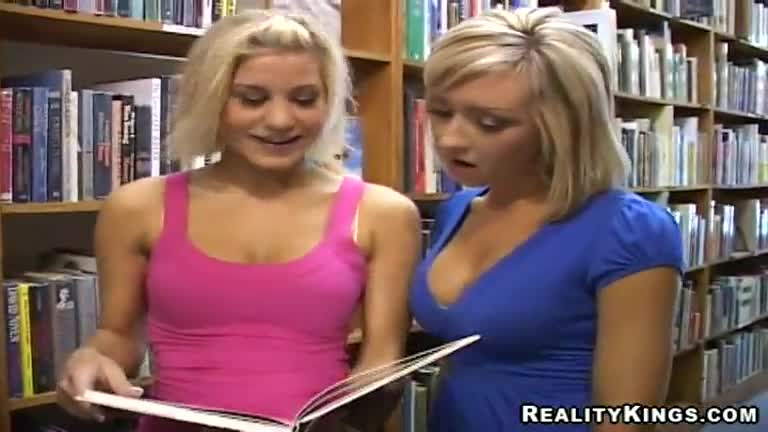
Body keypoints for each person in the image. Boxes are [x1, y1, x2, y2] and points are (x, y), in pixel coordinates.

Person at [55, 9, 422, 432]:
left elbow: (381, 359)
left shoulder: (383, 214)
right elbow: (118, 336)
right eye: (252, 99)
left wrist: (366, 404)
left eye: (304, 99)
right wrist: (92, 361)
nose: (281, 120)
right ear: (211, 100)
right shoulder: (136, 207)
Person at [409, 7, 684, 432]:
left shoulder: (630, 232)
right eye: (442, 112)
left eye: (490, 123)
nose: (449, 139)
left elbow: (627, 420)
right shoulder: (456, 210)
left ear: (560, 127)